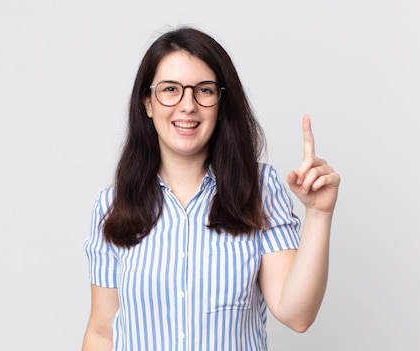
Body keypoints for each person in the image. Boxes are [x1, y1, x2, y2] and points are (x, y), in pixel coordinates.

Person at [82, 26, 340, 351]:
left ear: (220, 103)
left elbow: (297, 314)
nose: (187, 105)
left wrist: (318, 214)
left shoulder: (258, 190)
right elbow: (102, 333)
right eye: (170, 89)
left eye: (203, 90)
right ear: (147, 103)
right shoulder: (113, 206)